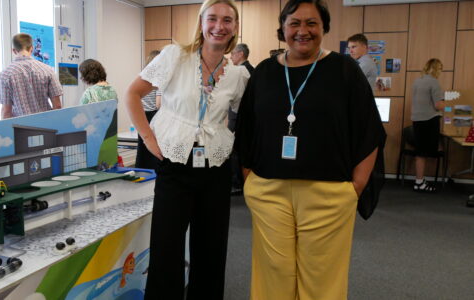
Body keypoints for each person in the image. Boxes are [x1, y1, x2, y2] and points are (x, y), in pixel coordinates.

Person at [235, 0, 386, 299]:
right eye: (294, 23)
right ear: (283, 29)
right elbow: (247, 129)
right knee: (272, 273)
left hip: (328, 193)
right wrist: (250, 180)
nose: (302, 31)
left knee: (321, 278)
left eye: (311, 23)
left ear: (324, 28)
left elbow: (369, 130)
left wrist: (355, 187)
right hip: (268, 191)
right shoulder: (264, 72)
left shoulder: (345, 71)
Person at [124, 0, 248, 299]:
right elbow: (133, 93)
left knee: (211, 247)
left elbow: (247, 118)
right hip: (175, 163)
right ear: (201, 22)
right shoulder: (175, 56)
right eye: (213, 19)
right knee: (167, 246)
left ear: (235, 26)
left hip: (215, 167)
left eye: (227, 20)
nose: (220, 26)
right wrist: (148, 138)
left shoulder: (238, 75)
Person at [0, 33, 63, 119]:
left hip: (20, 128)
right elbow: (57, 106)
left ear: (14, 50)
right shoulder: (48, 70)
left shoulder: (6, 74)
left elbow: (6, 112)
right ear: (31, 48)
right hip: (46, 127)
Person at [411, 58, 444, 193]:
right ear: (437, 69)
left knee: (420, 152)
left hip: (417, 120)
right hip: (429, 121)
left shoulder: (417, 81)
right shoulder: (434, 82)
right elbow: (438, 105)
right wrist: (451, 107)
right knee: (424, 153)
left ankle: (419, 180)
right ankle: (419, 182)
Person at [228, 43, 254, 194]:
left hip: (237, 115)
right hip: (247, 116)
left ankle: (236, 183)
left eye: (232, 54)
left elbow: (236, 97)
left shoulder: (240, 71)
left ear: (240, 54)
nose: (231, 57)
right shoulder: (253, 70)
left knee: (234, 149)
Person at [135, 50, 162, 169]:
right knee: (155, 150)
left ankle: (141, 169)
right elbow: (158, 104)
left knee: (143, 147)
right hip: (153, 116)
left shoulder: (142, 77)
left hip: (141, 116)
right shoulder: (159, 79)